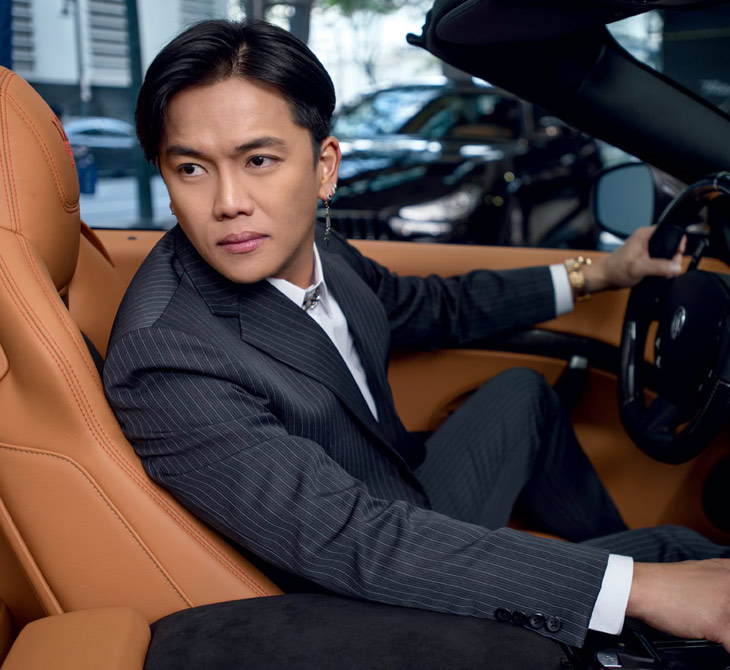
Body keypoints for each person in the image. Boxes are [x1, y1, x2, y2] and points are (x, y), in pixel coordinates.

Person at [103, 18, 730, 651]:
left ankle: (603, 621)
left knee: (524, 395)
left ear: (324, 169)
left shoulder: (316, 246)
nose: (228, 202)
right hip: (360, 595)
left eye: (259, 160)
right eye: (192, 168)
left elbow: (432, 305)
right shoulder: (167, 353)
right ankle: (614, 609)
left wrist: (603, 272)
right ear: (166, 178)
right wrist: (643, 587)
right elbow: (351, 538)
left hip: (401, 493)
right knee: (683, 555)